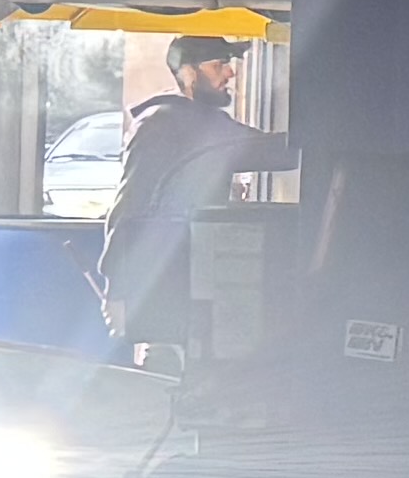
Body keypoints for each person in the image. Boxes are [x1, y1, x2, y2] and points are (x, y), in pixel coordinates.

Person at [96, 33, 289, 360]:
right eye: (219, 65)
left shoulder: (199, 123)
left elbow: (276, 152)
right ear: (188, 74)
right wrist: (118, 290)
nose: (230, 73)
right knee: (169, 375)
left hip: (186, 280)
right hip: (167, 283)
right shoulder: (168, 124)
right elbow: (129, 206)